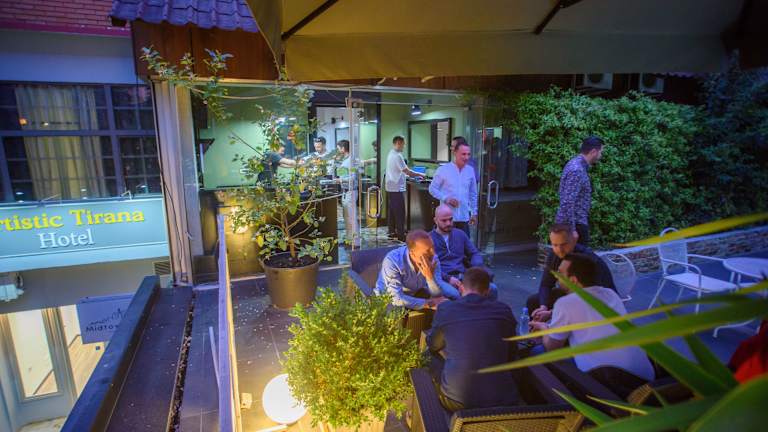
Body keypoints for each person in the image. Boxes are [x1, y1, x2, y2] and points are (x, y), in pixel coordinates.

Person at [530, 253, 654, 398]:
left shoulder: (566, 303)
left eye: (560, 273)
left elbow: (552, 347)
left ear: (573, 280)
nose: (556, 276)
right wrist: (552, 314)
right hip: (644, 379)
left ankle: (560, 403)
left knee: (537, 352)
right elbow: (587, 310)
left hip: (610, 383)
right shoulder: (610, 294)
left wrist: (544, 329)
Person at [427, 267, 520, 411]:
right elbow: (512, 352)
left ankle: (428, 407)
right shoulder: (504, 310)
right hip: (503, 400)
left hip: (457, 401)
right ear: (487, 291)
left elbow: (433, 345)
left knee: (427, 355)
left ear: (461, 288)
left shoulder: (446, 309)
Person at [527, 223, 616, 320]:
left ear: (573, 241)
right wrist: (543, 307)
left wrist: (552, 313)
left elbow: (590, 298)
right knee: (534, 301)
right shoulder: (554, 255)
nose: (559, 250)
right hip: (573, 294)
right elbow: (546, 284)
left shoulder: (586, 260)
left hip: (600, 301)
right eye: (555, 245)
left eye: (564, 244)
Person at [375, 230, 459, 310]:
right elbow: (395, 297)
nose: (433, 253)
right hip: (388, 297)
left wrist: (430, 277)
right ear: (412, 253)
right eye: (427, 251)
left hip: (416, 291)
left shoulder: (433, 258)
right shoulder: (393, 261)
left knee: (455, 295)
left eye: (432, 247)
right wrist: (428, 303)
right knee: (396, 310)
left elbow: (436, 294)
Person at [429, 204, 497, 299]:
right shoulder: (428, 239)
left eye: (450, 219)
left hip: (464, 275)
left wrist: (476, 267)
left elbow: (474, 253)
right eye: (444, 220)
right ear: (435, 220)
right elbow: (428, 266)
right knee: (455, 294)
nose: (448, 223)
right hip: (443, 278)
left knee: (492, 289)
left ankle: (486, 309)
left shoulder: (460, 234)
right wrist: (448, 278)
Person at [555, 136, 604, 246]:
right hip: (574, 225)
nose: (601, 155)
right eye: (600, 152)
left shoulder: (576, 165)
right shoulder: (577, 170)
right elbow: (567, 202)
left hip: (574, 224)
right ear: (593, 151)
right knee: (576, 256)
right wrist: (572, 230)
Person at [429, 137, 478, 237]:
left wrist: (474, 212)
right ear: (455, 153)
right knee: (445, 245)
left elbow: (473, 193)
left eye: (468, 154)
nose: (466, 157)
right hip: (446, 219)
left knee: (463, 245)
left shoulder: (470, 170)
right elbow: (432, 189)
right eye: (463, 154)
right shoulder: (443, 170)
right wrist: (446, 199)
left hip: (464, 218)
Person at [385, 136, 424, 241]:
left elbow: (399, 171)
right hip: (396, 188)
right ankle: (401, 235)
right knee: (399, 212)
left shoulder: (390, 153)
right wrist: (421, 174)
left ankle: (392, 232)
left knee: (393, 212)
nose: (404, 146)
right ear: (398, 143)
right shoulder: (397, 156)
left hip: (391, 187)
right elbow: (407, 171)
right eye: (403, 144)